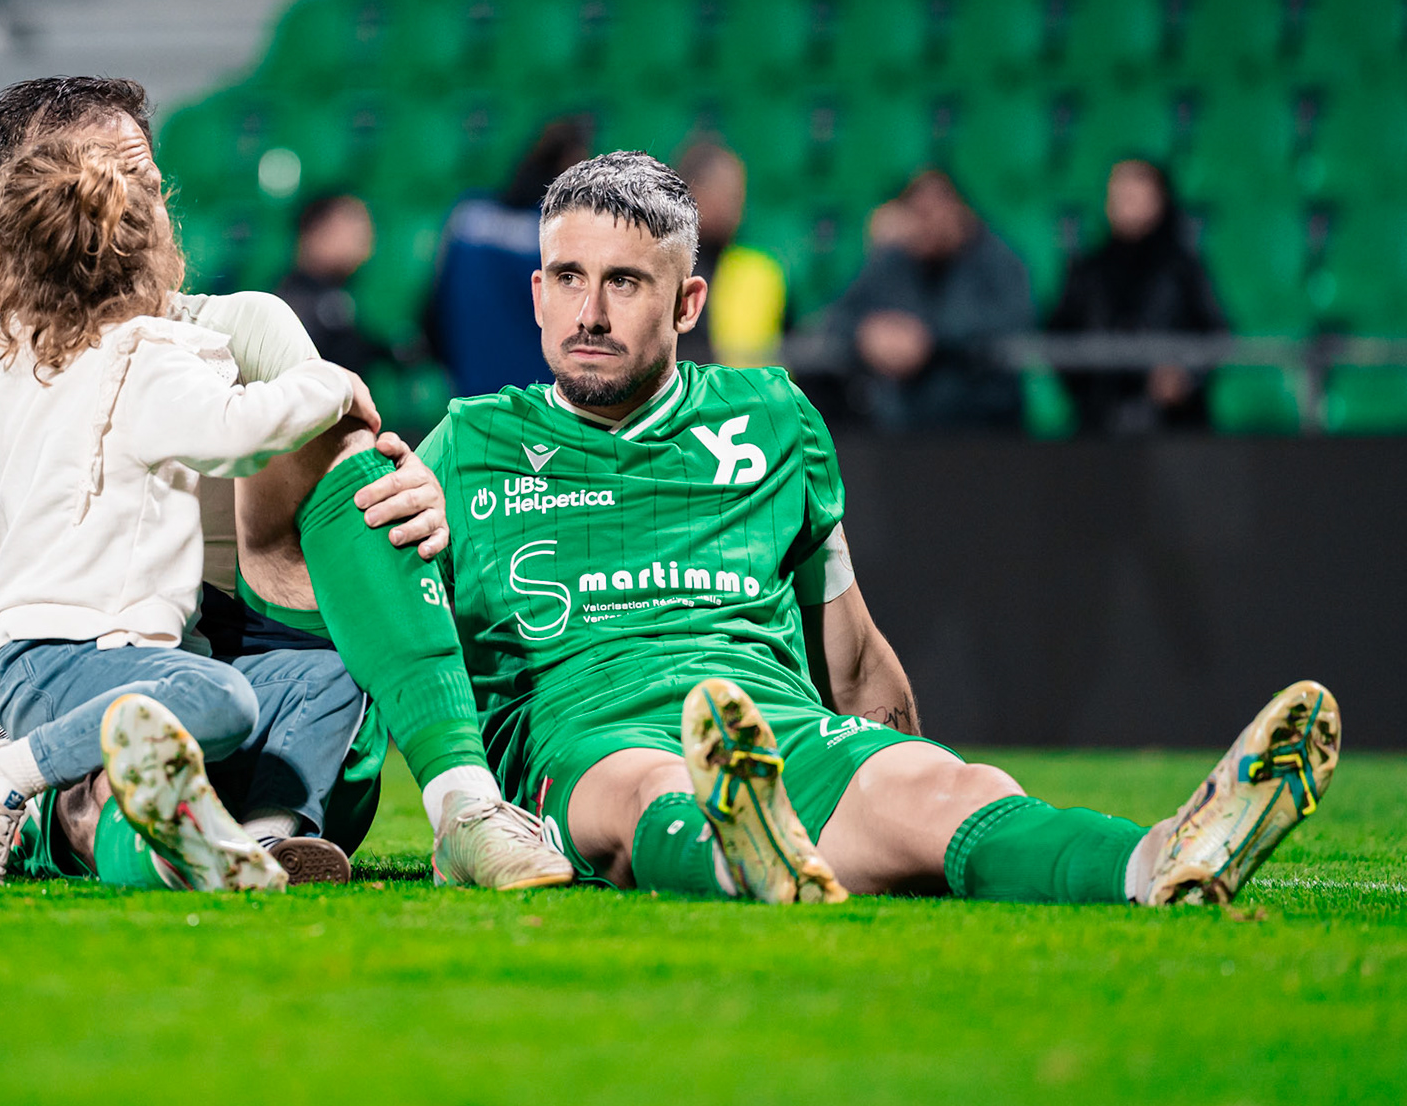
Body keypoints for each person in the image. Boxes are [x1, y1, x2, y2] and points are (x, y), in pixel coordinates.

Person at [417, 150, 1339, 906]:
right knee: (648, 787)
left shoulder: (770, 417)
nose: (590, 313)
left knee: (954, 791)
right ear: (536, 293)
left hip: (766, 728)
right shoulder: (468, 444)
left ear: (687, 304)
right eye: (570, 279)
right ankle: (742, 856)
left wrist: (894, 753)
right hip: (589, 735)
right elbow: (377, 617)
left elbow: (848, 649)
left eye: (624, 283)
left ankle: (1163, 859)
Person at [0, 77, 569, 893]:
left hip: (214, 649)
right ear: (22, 209)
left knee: (323, 628)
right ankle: (127, 823)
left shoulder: (240, 326)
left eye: (147, 180)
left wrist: (409, 480)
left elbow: (356, 474)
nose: (139, 204)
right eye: (105, 181)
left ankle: (435, 810)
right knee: (126, 764)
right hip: (43, 675)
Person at [0, 127, 370, 890]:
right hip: (81, 660)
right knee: (222, 698)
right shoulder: (145, 358)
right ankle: (2, 775)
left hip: (37, 662)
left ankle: (263, 841)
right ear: (149, 256)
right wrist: (329, 382)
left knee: (324, 674)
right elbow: (239, 436)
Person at [830, 169, 1034, 431]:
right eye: (920, 212)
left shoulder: (995, 259)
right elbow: (838, 318)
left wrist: (929, 336)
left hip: (983, 423)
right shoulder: (894, 261)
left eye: (939, 208)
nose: (931, 222)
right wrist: (867, 334)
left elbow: (1015, 319)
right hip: (904, 428)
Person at [1050, 159, 1228, 435]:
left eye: (1133, 195)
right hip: (1101, 424)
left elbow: (1216, 333)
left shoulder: (1182, 269)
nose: (1123, 203)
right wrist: (1091, 381)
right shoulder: (1089, 270)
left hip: (1172, 426)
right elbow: (1059, 335)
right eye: (1117, 195)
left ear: (1158, 200)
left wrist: (1184, 376)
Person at [431, 116, 591, 397]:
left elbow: (434, 305)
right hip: (537, 396)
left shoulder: (468, 215)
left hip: (470, 390)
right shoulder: (558, 232)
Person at [673, 140, 785, 369]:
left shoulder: (758, 270)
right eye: (722, 190)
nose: (733, 204)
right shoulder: (666, 268)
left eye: (737, 193)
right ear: (690, 191)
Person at [274, 193, 389, 377]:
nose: (364, 241)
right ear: (315, 231)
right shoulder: (289, 306)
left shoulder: (342, 300)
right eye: (352, 230)